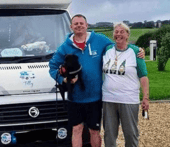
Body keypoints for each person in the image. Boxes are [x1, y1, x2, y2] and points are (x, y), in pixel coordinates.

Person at [49, 14, 144, 147]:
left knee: (94, 131)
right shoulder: (65, 46)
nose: (79, 26)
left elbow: (118, 46)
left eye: (81, 23)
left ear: (87, 25)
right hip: (74, 98)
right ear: (71, 27)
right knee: (76, 130)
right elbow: (52, 66)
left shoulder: (99, 40)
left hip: (95, 97)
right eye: (75, 24)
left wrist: (136, 50)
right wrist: (63, 79)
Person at [102, 22, 149, 147]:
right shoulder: (107, 50)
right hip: (108, 99)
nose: (118, 34)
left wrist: (145, 97)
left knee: (130, 134)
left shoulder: (135, 52)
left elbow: (143, 76)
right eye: (116, 32)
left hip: (128, 99)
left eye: (122, 32)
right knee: (109, 135)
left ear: (128, 35)